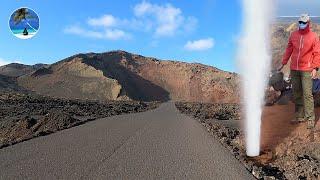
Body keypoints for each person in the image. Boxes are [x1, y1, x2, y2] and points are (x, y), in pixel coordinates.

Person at [278, 14, 320, 129]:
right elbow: (289, 49)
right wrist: (283, 62)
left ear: (308, 23)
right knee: (296, 93)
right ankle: (299, 115)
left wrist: (315, 68)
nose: (301, 24)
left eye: (303, 22)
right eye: (300, 22)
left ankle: (310, 118)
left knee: (307, 94)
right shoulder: (293, 35)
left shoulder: (313, 37)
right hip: (294, 69)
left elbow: (317, 53)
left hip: (307, 69)